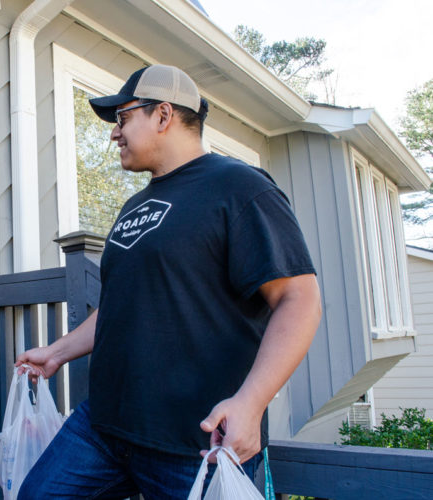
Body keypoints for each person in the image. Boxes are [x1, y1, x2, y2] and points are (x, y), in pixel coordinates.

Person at [16, 64, 322, 498]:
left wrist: (251, 403)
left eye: (122, 118)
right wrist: (57, 353)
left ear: (162, 115)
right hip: (104, 426)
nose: (113, 133)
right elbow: (123, 303)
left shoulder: (240, 188)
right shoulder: (134, 205)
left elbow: (299, 299)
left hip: (196, 443)